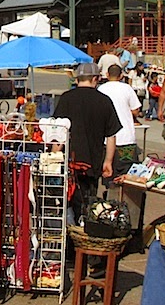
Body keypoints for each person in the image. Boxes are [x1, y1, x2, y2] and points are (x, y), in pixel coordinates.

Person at [55, 62, 122, 225]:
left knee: (66, 202)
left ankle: (70, 239)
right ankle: (86, 236)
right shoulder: (104, 101)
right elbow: (111, 136)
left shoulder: (66, 99)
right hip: (93, 162)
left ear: (77, 79)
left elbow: (58, 134)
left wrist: (54, 155)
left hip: (69, 162)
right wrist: (108, 162)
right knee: (89, 203)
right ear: (95, 79)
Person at [98, 64, 142, 189]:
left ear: (107, 75)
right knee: (127, 178)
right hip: (126, 139)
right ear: (121, 75)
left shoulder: (101, 89)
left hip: (107, 140)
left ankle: (110, 202)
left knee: (109, 176)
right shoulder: (127, 88)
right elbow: (135, 110)